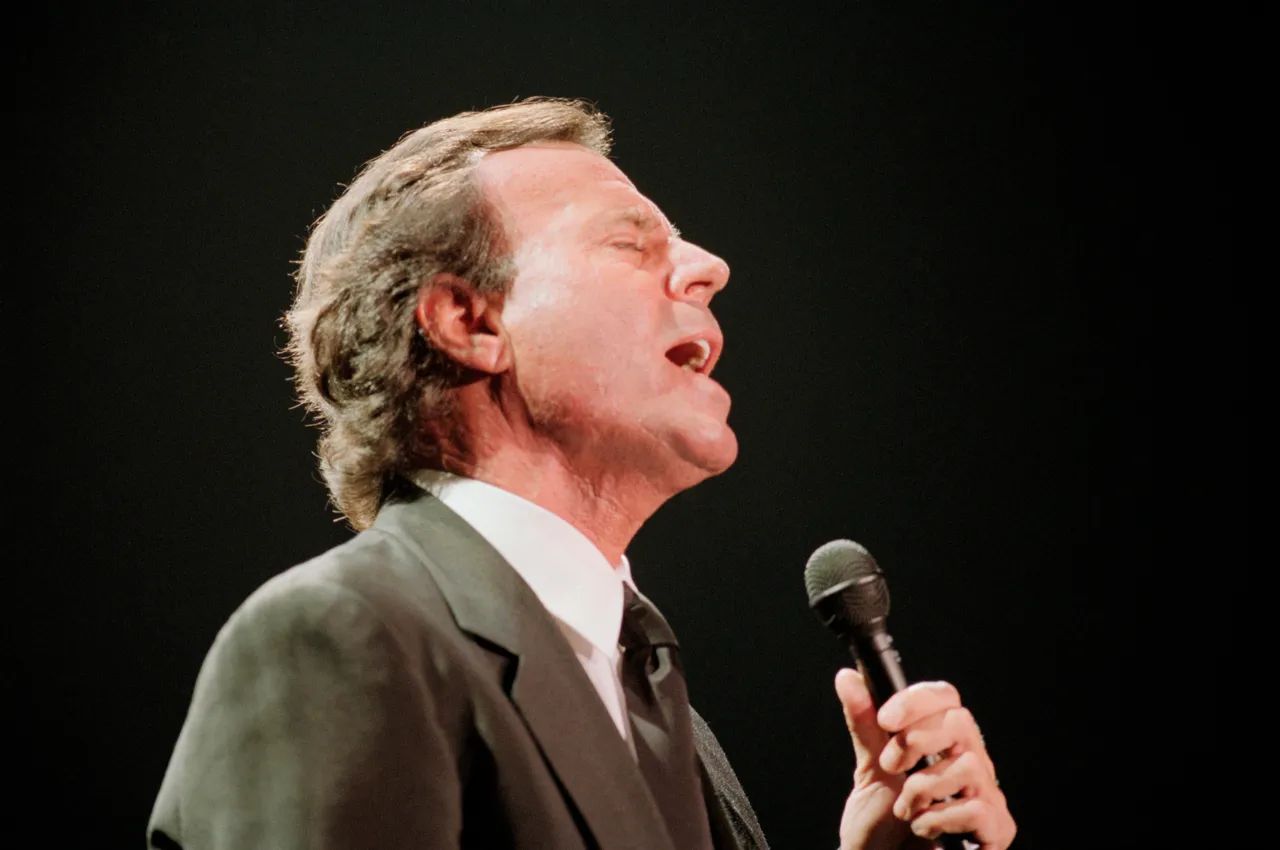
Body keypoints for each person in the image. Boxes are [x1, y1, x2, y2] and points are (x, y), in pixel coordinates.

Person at [148, 97, 1015, 850]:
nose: (708, 268)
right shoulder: (344, 637)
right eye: (631, 243)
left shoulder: (654, 704)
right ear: (468, 320)